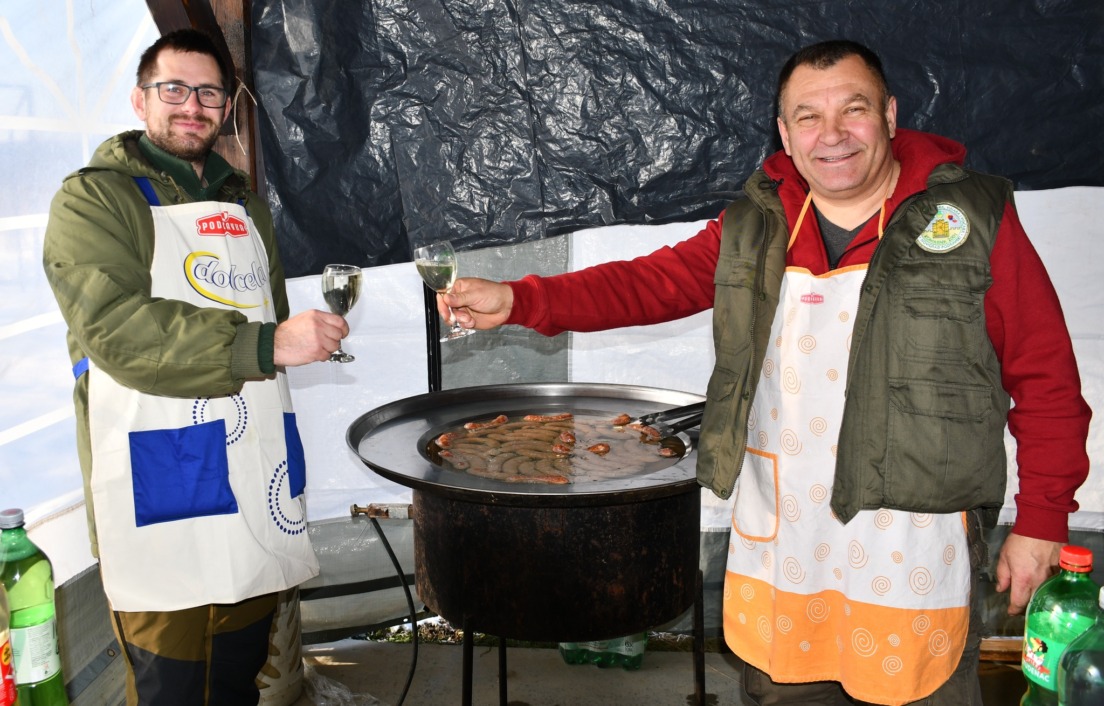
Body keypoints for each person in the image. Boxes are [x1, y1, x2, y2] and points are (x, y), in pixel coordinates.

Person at [439, 40, 1091, 705]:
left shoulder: (972, 221)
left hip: (912, 543)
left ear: (891, 115)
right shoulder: (758, 222)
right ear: (784, 132)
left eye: (853, 110)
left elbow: (1046, 378)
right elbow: (648, 284)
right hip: (788, 539)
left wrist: (1043, 521)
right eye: (807, 116)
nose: (831, 135)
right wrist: (522, 299)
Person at [42, 29, 349, 705]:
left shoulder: (243, 203)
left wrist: (283, 344)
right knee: (175, 685)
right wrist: (263, 347)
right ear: (139, 99)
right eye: (173, 88)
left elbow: (267, 314)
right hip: (167, 473)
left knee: (238, 675)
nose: (192, 104)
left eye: (209, 92)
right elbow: (116, 329)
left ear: (227, 106)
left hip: (252, 463)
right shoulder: (95, 199)